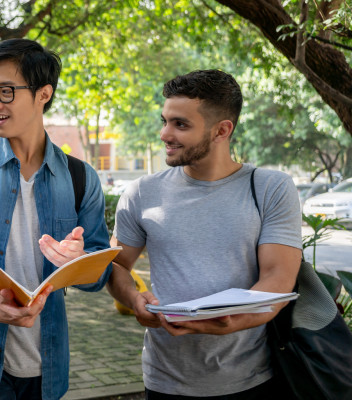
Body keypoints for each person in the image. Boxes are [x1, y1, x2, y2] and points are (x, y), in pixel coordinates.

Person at [0, 38, 112, 400]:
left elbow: (98, 275)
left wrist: (79, 263)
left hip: (48, 364)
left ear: (43, 94)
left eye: (6, 91)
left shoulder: (81, 178)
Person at [107, 70, 302, 399]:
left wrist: (233, 320)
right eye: (164, 120)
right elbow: (116, 266)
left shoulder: (271, 188)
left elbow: (277, 278)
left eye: (180, 124)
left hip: (250, 378)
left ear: (222, 130)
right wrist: (133, 300)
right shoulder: (141, 193)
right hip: (165, 378)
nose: (164, 134)